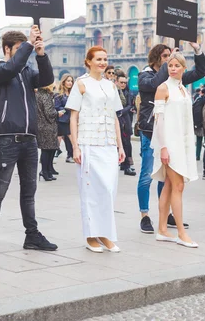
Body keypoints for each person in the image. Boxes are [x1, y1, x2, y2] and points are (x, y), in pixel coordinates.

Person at [0, 27, 58, 259]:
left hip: (29, 140)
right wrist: (28, 46)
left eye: (24, 49)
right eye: (18, 49)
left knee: (29, 192)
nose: (23, 54)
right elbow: (11, 67)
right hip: (7, 140)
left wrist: (41, 54)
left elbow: (47, 79)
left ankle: (32, 236)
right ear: (7, 49)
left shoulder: (26, 71)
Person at [136, 43, 205, 234]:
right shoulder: (146, 75)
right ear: (157, 58)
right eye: (166, 56)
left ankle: (165, 216)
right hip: (151, 132)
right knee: (147, 175)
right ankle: (144, 215)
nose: (169, 60)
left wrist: (197, 51)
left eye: (172, 57)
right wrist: (169, 67)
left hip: (171, 135)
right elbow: (153, 85)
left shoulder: (176, 79)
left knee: (166, 178)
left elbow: (200, 72)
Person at [66, 46, 125, 253]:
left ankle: (105, 234)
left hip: (108, 143)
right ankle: (91, 235)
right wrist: (75, 146)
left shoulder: (111, 86)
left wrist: (120, 144)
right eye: (98, 59)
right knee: (91, 190)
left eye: (105, 59)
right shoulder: (81, 84)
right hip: (88, 142)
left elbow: (115, 117)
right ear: (88, 61)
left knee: (109, 190)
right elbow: (73, 117)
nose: (102, 62)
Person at [151, 51, 199, 248]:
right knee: (178, 186)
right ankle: (181, 232)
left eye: (176, 65)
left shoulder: (182, 88)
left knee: (170, 186)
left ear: (183, 68)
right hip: (169, 144)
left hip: (183, 142)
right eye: (170, 65)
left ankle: (162, 229)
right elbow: (159, 121)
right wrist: (163, 147)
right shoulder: (163, 88)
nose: (172, 68)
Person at [36, 83, 59, 182]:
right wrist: (58, 113)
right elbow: (49, 113)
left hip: (40, 125)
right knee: (47, 150)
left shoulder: (38, 95)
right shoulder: (46, 96)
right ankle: (45, 172)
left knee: (46, 149)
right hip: (48, 126)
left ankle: (46, 171)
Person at [115, 71, 136, 176]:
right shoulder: (114, 92)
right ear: (117, 82)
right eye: (121, 82)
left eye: (124, 82)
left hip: (126, 119)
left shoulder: (129, 92)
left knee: (127, 142)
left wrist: (121, 111)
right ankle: (121, 163)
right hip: (116, 120)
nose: (123, 84)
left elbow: (130, 106)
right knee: (118, 143)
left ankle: (128, 164)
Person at [54, 74, 75, 163]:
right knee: (61, 137)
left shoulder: (74, 94)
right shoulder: (59, 95)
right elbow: (57, 107)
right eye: (68, 81)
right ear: (63, 82)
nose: (70, 83)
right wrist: (66, 109)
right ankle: (54, 153)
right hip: (62, 120)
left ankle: (70, 155)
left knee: (70, 138)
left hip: (72, 119)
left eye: (71, 81)